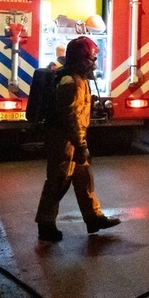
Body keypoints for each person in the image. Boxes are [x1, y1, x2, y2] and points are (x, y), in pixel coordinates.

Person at [35, 36, 121, 241]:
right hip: (63, 140)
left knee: (83, 178)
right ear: (80, 59)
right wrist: (80, 144)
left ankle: (94, 218)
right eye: (90, 59)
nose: (93, 63)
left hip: (72, 139)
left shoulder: (79, 80)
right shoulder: (70, 82)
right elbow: (70, 118)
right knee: (59, 180)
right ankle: (45, 224)